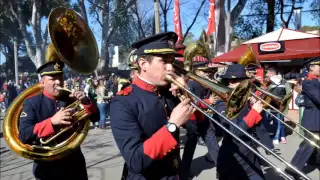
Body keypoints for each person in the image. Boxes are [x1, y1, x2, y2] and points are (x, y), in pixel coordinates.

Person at [110, 32, 195, 180]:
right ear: (143, 64)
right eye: (164, 61)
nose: (171, 68)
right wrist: (172, 125)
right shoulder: (123, 102)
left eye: (172, 61)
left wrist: (187, 93)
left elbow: (197, 127)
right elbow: (136, 161)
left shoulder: (169, 92)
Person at [18, 59, 97, 180]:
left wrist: (86, 102)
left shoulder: (71, 98)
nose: (58, 82)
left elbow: (96, 117)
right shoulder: (32, 103)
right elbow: (24, 135)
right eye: (52, 79)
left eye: (60, 77)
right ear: (42, 82)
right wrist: (52, 122)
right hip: (47, 168)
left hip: (75, 165)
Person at [214, 64, 265, 180]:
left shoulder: (242, 101)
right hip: (233, 159)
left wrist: (254, 108)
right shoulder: (222, 104)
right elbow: (234, 131)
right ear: (232, 82)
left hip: (250, 156)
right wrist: (253, 113)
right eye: (244, 83)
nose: (247, 86)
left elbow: (257, 128)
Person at [285, 57, 320, 179]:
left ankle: (313, 161)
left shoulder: (315, 81)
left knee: (313, 145)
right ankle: (292, 170)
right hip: (313, 120)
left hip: (315, 118)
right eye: (318, 66)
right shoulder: (309, 82)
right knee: (308, 146)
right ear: (311, 68)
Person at [265, 67, 287, 144]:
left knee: (278, 122)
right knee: (276, 121)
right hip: (271, 105)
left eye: (267, 73)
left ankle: (277, 137)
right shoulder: (271, 82)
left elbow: (281, 93)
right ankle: (279, 136)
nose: (266, 74)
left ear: (271, 73)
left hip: (277, 105)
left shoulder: (279, 81)